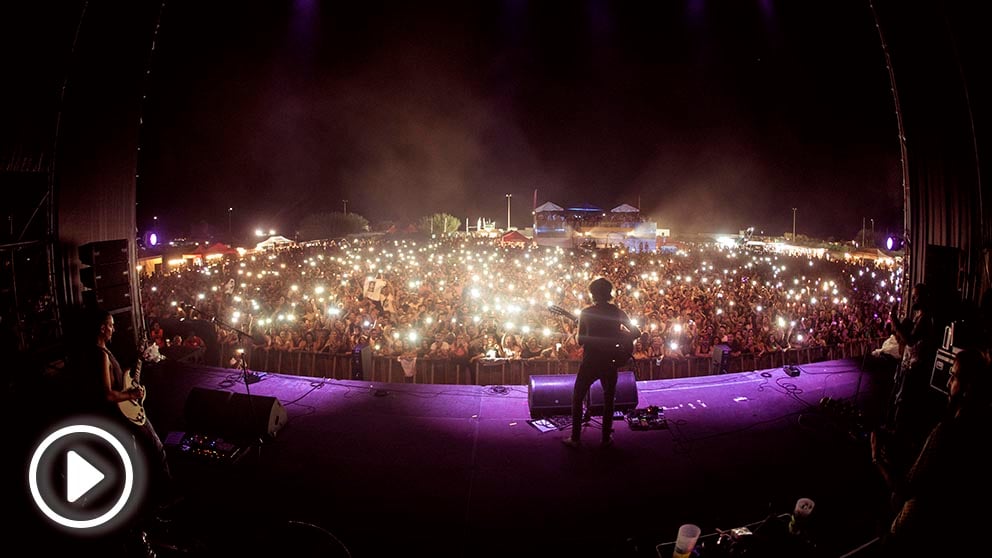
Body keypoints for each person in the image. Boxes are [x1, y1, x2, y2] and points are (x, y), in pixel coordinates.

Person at [870, 348, 992, 556]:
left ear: (968, 388)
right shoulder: (982, 427)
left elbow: (905, 488)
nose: (947, 383)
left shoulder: (948, 432)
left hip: (918, 526)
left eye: (953, 377)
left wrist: (876, 458)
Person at [562, 277, 640, 448]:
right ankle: (605, 438)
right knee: (609, 398)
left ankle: (575, 438)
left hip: (591, 360)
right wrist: (616, 336)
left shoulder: (587, 312)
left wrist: (578, 329)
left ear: (592, 294)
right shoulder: (617, 312)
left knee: (577, 397)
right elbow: (636, 332)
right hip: (610, 360)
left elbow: (581, 340)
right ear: (609, 292)